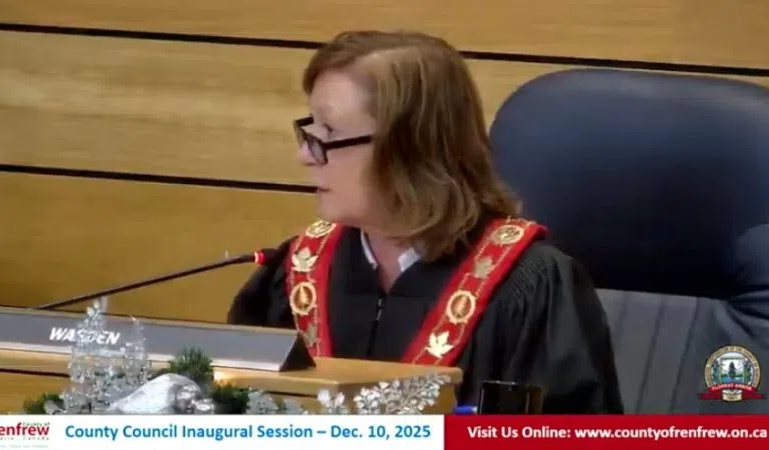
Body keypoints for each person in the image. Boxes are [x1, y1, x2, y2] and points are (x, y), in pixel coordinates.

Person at [228, 30, 623, 413]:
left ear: (410, 148)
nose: (305, 156)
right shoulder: (297, 273)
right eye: (310, 129)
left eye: (328, 132)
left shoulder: (529, 287)